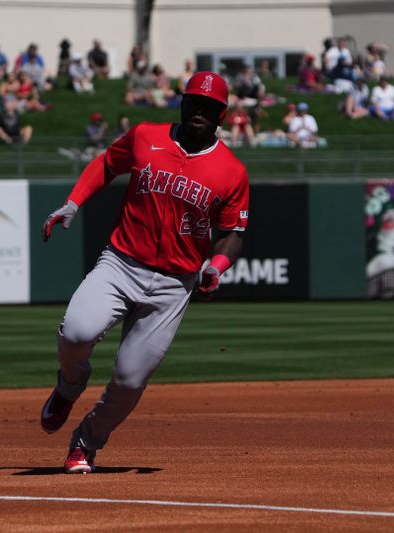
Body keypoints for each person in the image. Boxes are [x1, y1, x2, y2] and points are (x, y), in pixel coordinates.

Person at [40, 71, 248, 474]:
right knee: (76, 332)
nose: (201, 111)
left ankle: (86, 441)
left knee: (130, 381)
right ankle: (69, 384)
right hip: (122, 261)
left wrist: (216, 265)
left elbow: (234, 232)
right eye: (195, 102)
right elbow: (105, 164)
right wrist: (74, 202)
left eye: (211, 107)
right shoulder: (145, 136)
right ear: (182, 104)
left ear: (222, 115)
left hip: (174, 284)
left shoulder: (232, 171)